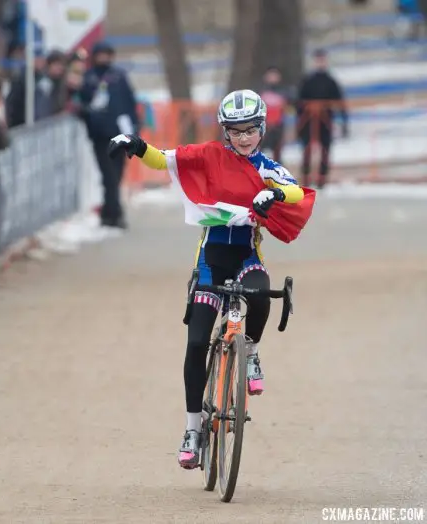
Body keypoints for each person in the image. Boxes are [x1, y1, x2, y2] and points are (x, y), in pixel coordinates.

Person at [107, 89, 306, 470]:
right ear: (225, 132)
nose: (244, 137)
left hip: (247, 257)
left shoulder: (265, 166)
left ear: (261, 129)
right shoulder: (209, 157)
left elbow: (296, 191)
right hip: (211, 260)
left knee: (262, 296)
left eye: (250, 130)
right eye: (235, 130)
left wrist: (273, 195)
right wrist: (135, 144)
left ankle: (250, 349)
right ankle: (192, 429)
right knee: (197, 341)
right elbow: (165, 159)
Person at [80, 41, 139, 229]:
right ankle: (115, 214)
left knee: (117, 175)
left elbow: (129, 103)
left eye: (107, 54)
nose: (104, 58)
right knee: (109, 176)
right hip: (100, 136)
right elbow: (80, 103)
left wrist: (134, 129)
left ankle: (108, 213)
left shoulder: (119, 77)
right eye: (100, 54)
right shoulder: (88, 78)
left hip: (120, 135)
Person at [296, 49, 348, 189]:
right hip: (308, 121)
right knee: (307, 149)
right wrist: (299, 123)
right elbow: (299, 102)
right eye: (318, 60)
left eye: (322, 60)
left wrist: (344, 122)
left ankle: (322, 180)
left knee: (325, 149)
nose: (320, 62)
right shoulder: (307, 81)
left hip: (325, 121)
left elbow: (340, 102)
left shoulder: (331, 81)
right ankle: (306, 178)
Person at [258, 66, 292, 163]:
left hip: (278, 125)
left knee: (277, 150)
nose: (272, 77)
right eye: (270, 75)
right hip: (263, 126)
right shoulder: (260, 91)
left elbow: (289, 107)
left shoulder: (284, 92)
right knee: (260, 149)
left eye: (275, 75)